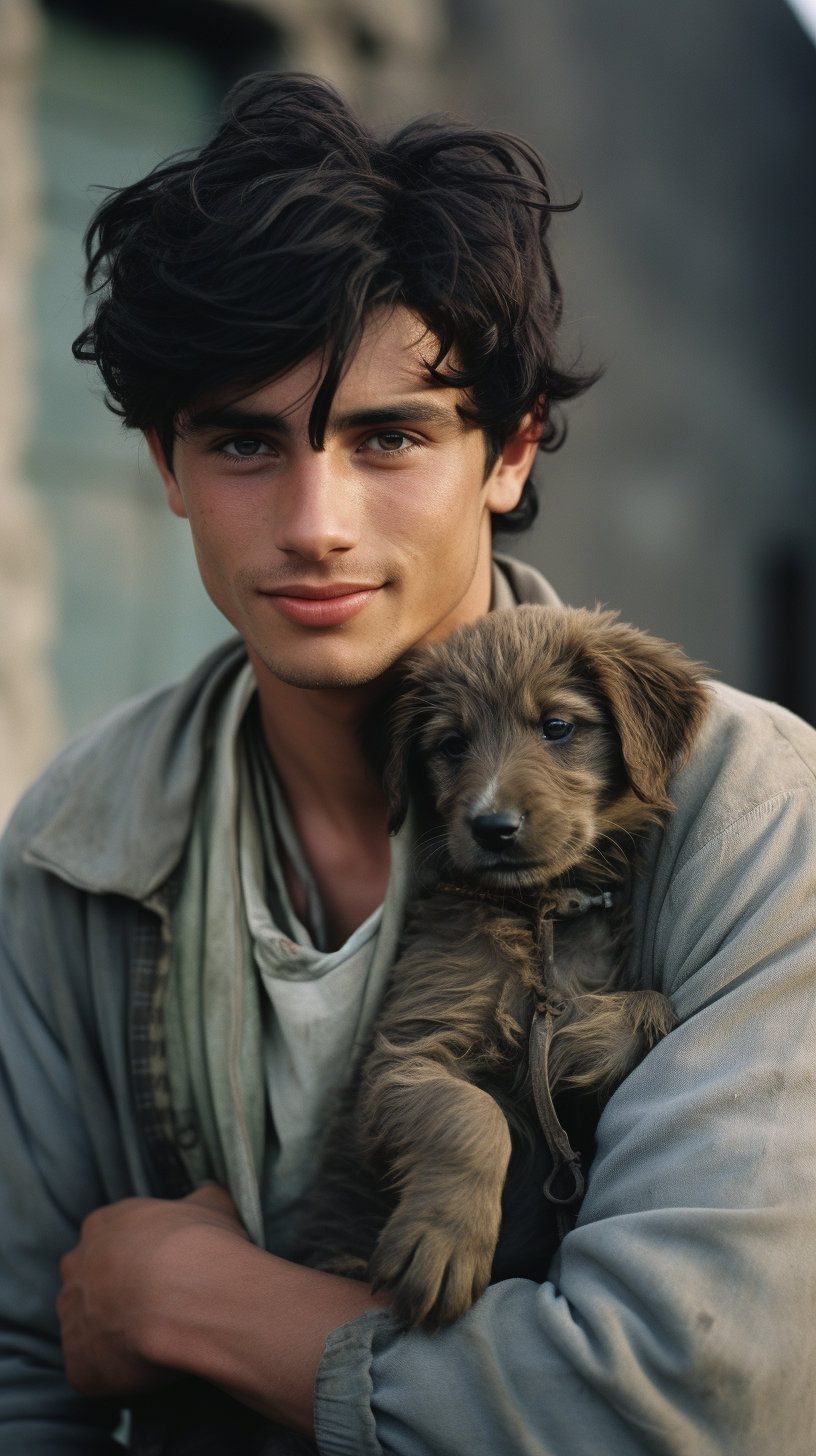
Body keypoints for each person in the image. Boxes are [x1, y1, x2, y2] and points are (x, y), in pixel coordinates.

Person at [1, 70, 815, 1456]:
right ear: (165, 466)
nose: (315, 522)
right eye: (246, 441)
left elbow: (694, 1393)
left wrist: (196, 1304)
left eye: (389, 437)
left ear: (509, 452)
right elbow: (24, 1378)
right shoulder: (78, 846)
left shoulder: (752, 813)